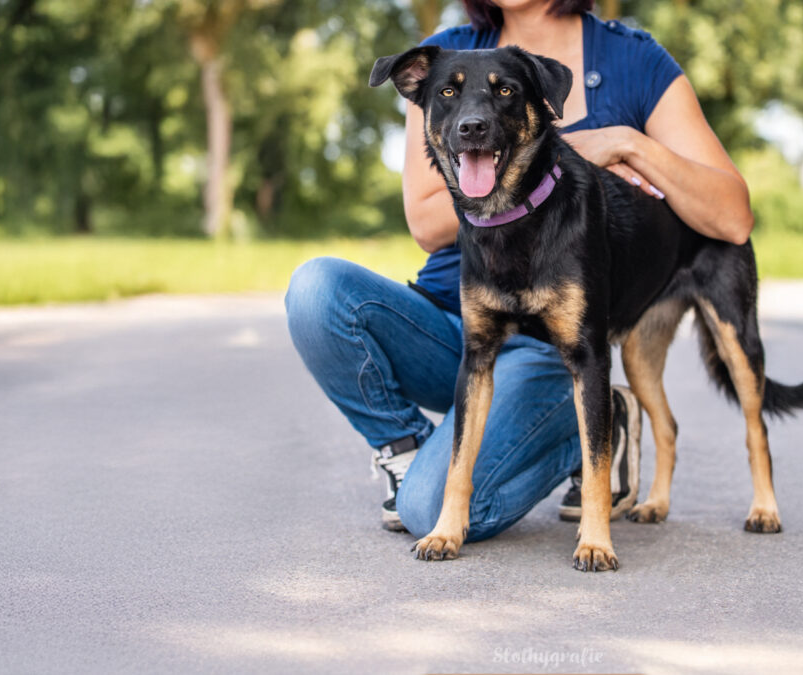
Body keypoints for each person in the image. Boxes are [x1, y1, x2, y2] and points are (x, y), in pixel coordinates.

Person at [285, 0, 754, 540]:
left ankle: (593, 426)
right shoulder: (446, 55)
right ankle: (404, 449)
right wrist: (561, 152)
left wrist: (627, 141)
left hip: (547, 349)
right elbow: (426, 223)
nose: (473, 112)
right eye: (453, 97)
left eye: (502, 94)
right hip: (453, 320)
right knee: (316, 289)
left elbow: (734, 218)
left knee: (425, 511)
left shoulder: (634, 60)